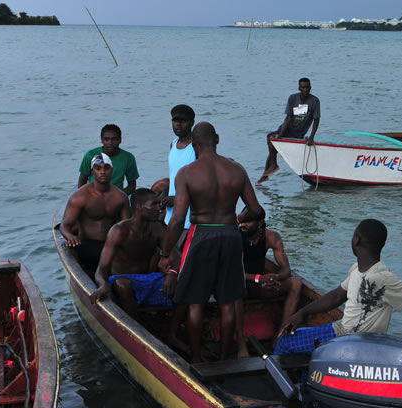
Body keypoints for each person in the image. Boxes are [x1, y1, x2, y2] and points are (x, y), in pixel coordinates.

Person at [273, 219, 402, 355]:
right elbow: (336, 297)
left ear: (356, 240)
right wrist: (302, 313)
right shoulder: (357, 269)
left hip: (349, 338)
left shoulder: (382, 278)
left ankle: (276, 385)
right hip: (341, 332)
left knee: (284, 341)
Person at [159, 122, 265, 363]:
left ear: (194, 144)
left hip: (200, 234)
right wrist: (237, 218)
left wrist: (166, 252)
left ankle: (197, 360)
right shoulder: (236, 169)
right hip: (229, 234)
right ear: (217, 139)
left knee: (195, 302)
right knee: (227, 303)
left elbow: (176, 220)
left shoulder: (186, 173)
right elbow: (257, 210)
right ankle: (224, 358)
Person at [90, 188, 175, 320]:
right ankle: (135, 325)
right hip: (122, 281)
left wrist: (172, 275)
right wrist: (102, 285)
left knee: (183, 281)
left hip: (148, 279)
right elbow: (102, 269)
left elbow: (176, 256)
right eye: (154, 204)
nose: (160, 207)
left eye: (159, 203)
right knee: (122, 284)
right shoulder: (119, 231)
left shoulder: (157, 229)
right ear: (139, 207)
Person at [235, 209, 302, 355]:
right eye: (242, 221)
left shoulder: (272, 237)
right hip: (240, 285)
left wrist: (274, 278)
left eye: (248, 222)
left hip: (261, 286)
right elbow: (230, 272)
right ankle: (241, 342)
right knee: (235, 286)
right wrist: (258, 278)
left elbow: (286, 269)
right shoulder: (235, 235)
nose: (243, 225)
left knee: (295, 284)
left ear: (260, 223)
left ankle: (280, 337)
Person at [61, 153, 131, 270]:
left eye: (106, 168)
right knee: (68, 247)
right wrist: (70, 237)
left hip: (112, 245)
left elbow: (127, 226)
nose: (102, 172)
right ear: (92, 171)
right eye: (98, 168)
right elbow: (65, 225)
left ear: (112, 170)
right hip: (87, 244)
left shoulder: (120, 197)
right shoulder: (80, 197)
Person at [257, 77, 320, 184]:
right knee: (271, 138)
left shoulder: (314, 101)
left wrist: (311, 137)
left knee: (273, 146)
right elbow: (288, 117)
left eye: (307, 87)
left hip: (299, 133)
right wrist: (280, 135)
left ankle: (269, 170)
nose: (305, 90)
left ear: (310, 88)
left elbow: (316, 119)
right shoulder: (292, 98)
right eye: (303, 87)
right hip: (286, 129)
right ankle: (271, 167)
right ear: (299, 88)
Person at [78, 124, 139, 194]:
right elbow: (82, 181)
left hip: (117, 196)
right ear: (102, 140)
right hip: (93, 196)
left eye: (114, 139)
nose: (110, 143)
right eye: (106, 139)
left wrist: (118, 197)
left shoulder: (128, 158)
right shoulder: (90, 155)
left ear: (120, 140)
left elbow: (132, 185)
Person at [163, 105, 196, 228]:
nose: (178, 124)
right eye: (175, 121)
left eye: (183, 121)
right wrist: (165, 193)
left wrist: (177, 199)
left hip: (189, 217)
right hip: (171, 215)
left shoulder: (197, 146)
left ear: (192, 122)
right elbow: (173, 176)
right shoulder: (173, 144)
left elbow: (202, 181)